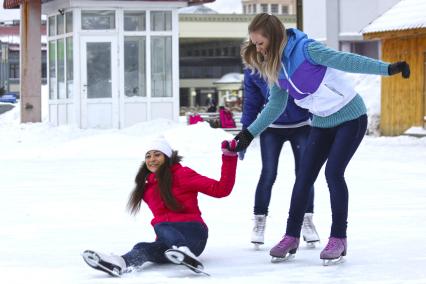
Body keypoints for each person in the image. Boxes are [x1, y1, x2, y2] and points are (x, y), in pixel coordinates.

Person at [231, 13, 410, 264]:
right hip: (321, 121)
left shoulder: (307, 50)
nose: (257, 48)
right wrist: (248, 134)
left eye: (260, 42)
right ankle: (291, 236)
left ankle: (338, 238)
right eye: (254, 44)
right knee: (304, 177)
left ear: (273, 37)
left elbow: (347, 60)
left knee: (333, 173)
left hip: (350, 116)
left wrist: (388, 68)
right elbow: (275, 105)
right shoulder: (277, 66)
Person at [82, 137, 238, 276]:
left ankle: (183, 251)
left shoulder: (182, 174)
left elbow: (221, 190)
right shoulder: (148, 188)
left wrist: (229, 158)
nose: (152, 159)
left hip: (193, 234)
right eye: (148, 156)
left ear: (168, 157)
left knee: (160, 224)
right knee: (142, 247)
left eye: (157, 154)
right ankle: (119, 263)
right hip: (169, 243)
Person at [241, 68, 320, 248]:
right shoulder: (253, 71)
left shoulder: (291, 62)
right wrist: (244, 138)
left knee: (305, 174)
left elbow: (313, 93)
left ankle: (307, 220)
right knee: (268, 174)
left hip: (301, 126)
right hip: (271, 127)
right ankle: (259, 221)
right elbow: (251, 104)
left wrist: (322, 126)